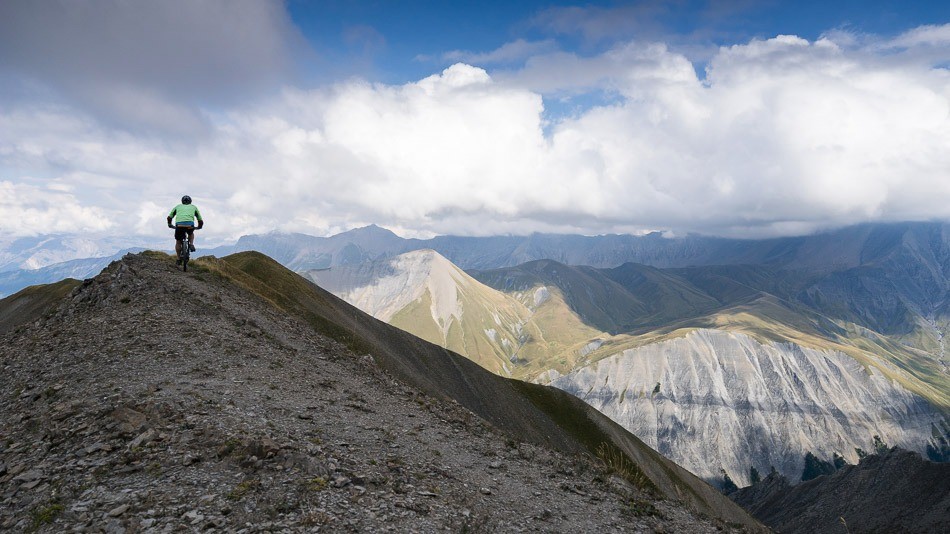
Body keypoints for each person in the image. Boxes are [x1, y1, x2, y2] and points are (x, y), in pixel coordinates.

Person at [167, 195, 204, 261]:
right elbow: (200, 219)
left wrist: (170, 224)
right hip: (190, 225)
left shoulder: (177, 207)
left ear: (182, 201)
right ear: (190, 202)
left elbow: (169, 217)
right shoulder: (194, 207)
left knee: (178, 242)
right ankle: (191, 244)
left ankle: (178, 259)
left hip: (179, 225)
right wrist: (199, 227)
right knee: (191, 233)